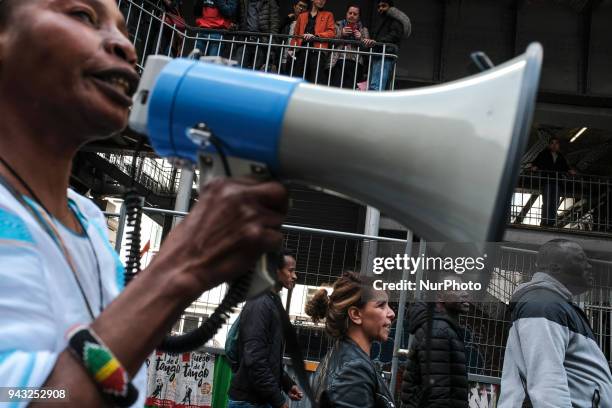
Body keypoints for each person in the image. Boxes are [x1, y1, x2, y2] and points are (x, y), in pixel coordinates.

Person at [0, 1, 288, 406]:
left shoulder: (90, 218)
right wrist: (182, 266)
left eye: (125, 32)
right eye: (83, 16)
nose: (125, 47)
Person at [498, 239, 612, 407]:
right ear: (554, 267)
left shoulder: (554, 304)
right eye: (581, 259)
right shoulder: (543, 304)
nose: (589, 266)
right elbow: (546, 381)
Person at [306, 272, 397, 407]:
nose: (391, 314)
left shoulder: (343, 357)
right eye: (381, 305)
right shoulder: (353, 372)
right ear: (355, 314)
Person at [228, 252, 303, 408]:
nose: (295, 276)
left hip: (260, 399)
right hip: (249, 402)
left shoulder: (271, 301)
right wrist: (279, 401)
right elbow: (255, 360)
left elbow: (269, 358)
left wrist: (287, 384)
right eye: (290, 270)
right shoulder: (260, 303)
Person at [400, 275, 469, 408]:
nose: (465, 294)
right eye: (457, 289)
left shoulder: (444, 328)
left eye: (465, 289)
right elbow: (437, 393)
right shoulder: (438, 331)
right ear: (440, 297)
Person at [364, 0, 411, 91]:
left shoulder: (395, 20)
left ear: (390, 7)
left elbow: (394, 35)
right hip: (379, 53)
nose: (380, 8)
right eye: (379, 7)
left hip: (385, 54)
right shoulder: (382, 19)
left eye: (384, 6)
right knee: (376, 84)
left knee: (376, 86)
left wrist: (377, 42)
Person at [529, 136, 576, 226]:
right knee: (547, 202)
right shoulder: (543, 154)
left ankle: (551, 222)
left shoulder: (561, 156)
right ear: (549, 145)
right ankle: (545, 221)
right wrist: (534, 167)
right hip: (547, 181)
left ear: (558, 146)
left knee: (554, 202)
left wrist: (570, 170)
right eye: (552, 143)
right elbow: (536, 162)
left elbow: (565, 167)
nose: (554, 145)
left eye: (556, 143)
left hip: (557, 182)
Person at [289, 0, 335, 83]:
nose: (322, 1)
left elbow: (331, 32)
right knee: (298, 78)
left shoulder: (328, 15)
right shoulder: (302, 16)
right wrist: (291, 48)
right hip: (302, 50)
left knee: (315, 79)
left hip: (318, 51)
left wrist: (316, 36)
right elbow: (296, 35)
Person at [329, 4, 370, 89]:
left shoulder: (363, 29)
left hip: (356, 63)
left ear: (359, 17)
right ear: (346, 14)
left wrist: (360, 38)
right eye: (350, 13)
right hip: (338, 61)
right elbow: (329, 43)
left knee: (350, 89)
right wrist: (341, 33)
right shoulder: (337, 25)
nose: (352, 16)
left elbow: (367, 49)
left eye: (355, 14)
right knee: (336, 88)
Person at [235, 0, 281, 70]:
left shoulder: (269, 2)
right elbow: (238, 18)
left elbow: (274, 24)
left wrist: (272, 45)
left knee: (256, 71)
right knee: (238, 68)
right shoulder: (244, 1)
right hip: (244, 39)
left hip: (261, 42)